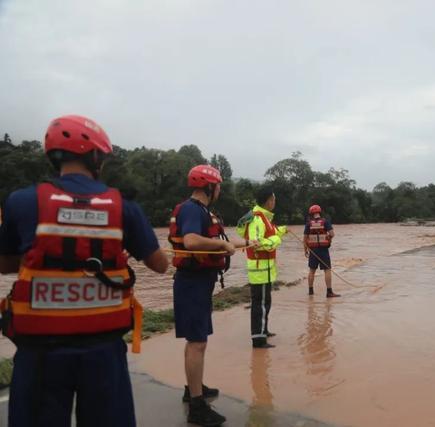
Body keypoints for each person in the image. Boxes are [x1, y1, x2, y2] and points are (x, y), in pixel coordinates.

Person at [0, 115, 168, 427]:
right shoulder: (124, 207)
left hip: (39, 354)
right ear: (95, 157)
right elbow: (160, 265)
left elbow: (5, 264)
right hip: (103, 352)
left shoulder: (21, 202)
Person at [169, 164, 247, 426]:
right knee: (197, 341)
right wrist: (224, 245)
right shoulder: (192, 209)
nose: (220, 190)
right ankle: (197, 406)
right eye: (219, 186)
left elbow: (220, 239)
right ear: (209, 187)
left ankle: (193, 388)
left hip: (199, 283)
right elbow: (191, 241)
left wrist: (247, 243)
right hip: (191, 283)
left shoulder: (203, 211)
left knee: (196, 340)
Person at [236, 186, 287, 349]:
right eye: (273, 199)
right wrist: (277, 240)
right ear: (268, 201)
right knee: (260, 304)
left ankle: (263, 331)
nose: (275, 202)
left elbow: (270, 233)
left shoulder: (265, 218)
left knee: (266, 302)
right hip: (260, 270)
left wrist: (282, 231)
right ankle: (259, 339)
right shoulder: (258, 219)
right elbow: (257, 243)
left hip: (265, 270)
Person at [304, 205, 340, 297]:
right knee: (327, 270)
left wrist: (305, 250)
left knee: (312, 271)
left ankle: (311, 292)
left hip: (313, 251)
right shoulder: (325, 222)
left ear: (311, 214)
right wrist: (328, 237)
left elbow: (305, 239)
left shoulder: (308, 224)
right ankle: (329, 292)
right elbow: (332, 234)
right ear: (319, 212)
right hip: (323, 250)